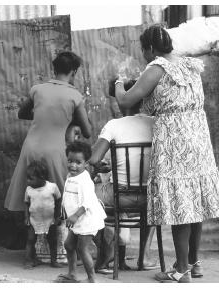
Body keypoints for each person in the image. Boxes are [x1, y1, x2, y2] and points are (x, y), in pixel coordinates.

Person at [114, 24, 219, 283]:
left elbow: (125, 101)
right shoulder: (189, 64)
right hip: (198, 135)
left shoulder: (156, 68)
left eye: (143, 50)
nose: (144, 55)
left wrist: (118, 85)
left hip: (174, 136)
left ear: (151, 48)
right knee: (194, 202)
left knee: (181, 204)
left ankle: (181, 270)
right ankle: (193, 262)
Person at [4, 51, 92, 258]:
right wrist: (68, 120)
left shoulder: (37, 90)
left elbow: (22, 113)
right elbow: (87, 132)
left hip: (31, 147)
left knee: (33, 198)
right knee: (60, 198)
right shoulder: (74, 96)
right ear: (74, 71)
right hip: (55, 150)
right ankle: (58, 250)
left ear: (54, 69)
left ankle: (37, 248)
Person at [89, 79, 158, 274]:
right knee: (153, 201)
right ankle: (143, 257)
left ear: (122, 101)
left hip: (119, 196)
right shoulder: (154, 123)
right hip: (149, 198)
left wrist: (105, 168)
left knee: (89, 196)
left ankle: (106, 253)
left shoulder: (113, 125)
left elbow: (94, 159)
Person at [54, 141, 106, 283]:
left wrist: (75, 216)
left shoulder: (85, 180)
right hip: (76, 219)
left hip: (86, 219)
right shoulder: (70, 176)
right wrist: (64, 214)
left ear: (86, 163)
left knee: (81, 249)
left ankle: (92, 279)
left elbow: (87, 202)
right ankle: (72, 274)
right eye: (70, 161)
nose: (73, 165)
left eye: (78, 162)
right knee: (69, 245)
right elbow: (67, 197)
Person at [23, 160, 63, 269]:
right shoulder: (29, 190)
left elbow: (59, 200)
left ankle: (53, 261)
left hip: (50, 220)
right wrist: (26, 217)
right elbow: (26, 204)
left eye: (31, 178)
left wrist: (57, 216)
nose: (28, 181)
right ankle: (29, 260)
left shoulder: (52, 187)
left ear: (41, 177)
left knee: (52, 240)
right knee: (30, 240)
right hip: (34, 219)